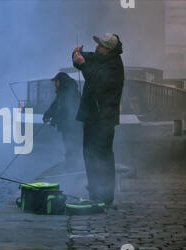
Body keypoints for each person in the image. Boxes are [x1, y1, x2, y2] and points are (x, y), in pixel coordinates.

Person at [72, 33, 125, 206]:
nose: (96, 47)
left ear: (108, 50)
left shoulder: (114, 67)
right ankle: (95, 191)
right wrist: (76, 54)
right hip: (93, 116)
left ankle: (105, 195)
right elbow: (83, 60)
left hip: (103, 119)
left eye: (100, 46)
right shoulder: (102, 58)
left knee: (102, 156)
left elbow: (96, 81)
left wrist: (82, 64)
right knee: (89, 154)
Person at [43, 72, 83, 169]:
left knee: (72, 145)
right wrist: (47, 115)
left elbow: (64, 109)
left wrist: (52, 120)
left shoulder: (69, 92)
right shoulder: (62, 92)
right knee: (69, 145)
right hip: (68, 125)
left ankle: (72, 167)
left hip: (73, 126)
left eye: (56, 81)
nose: (55, 84)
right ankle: (72, 165)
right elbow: (55, 106)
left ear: (60, 81)